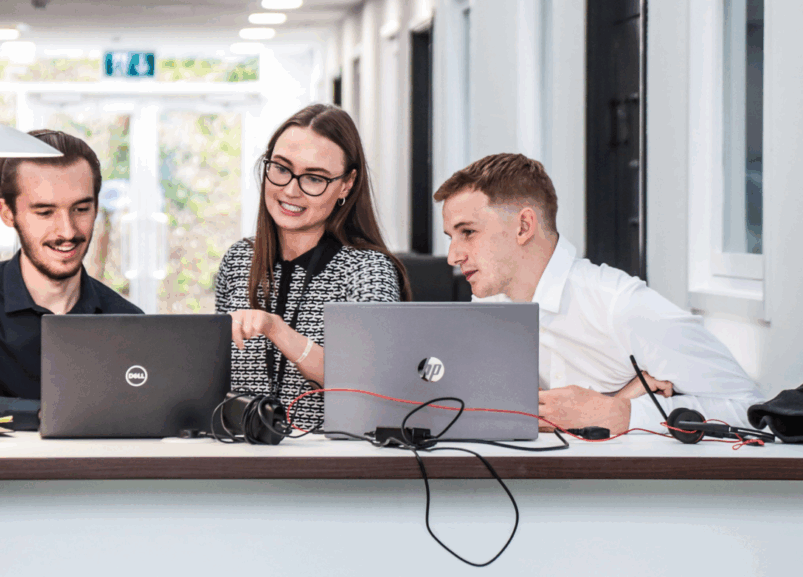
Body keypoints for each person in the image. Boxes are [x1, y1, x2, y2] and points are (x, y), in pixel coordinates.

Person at [435, 153, 764, 434]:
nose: (453, 256)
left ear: (523, 227)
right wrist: (623, 398)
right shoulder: (488, 302)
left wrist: (622, 415)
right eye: (452, 236)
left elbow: (752, 411)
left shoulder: (622, 305)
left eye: (468, 232)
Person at [0, 130, 143, 430]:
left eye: (81, 209)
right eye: (45, 212)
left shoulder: (127, 321)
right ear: (7, 213)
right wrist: (57, 414)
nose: (67, 231)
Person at [214, 104, 411, 429]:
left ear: (346, 185)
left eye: (314, 178)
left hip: (329, 466)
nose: (290, 190)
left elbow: (367, 386)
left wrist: (275, 329)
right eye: (281, 168)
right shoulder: (238, 260)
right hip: (243, 460)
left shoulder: (368, 270)